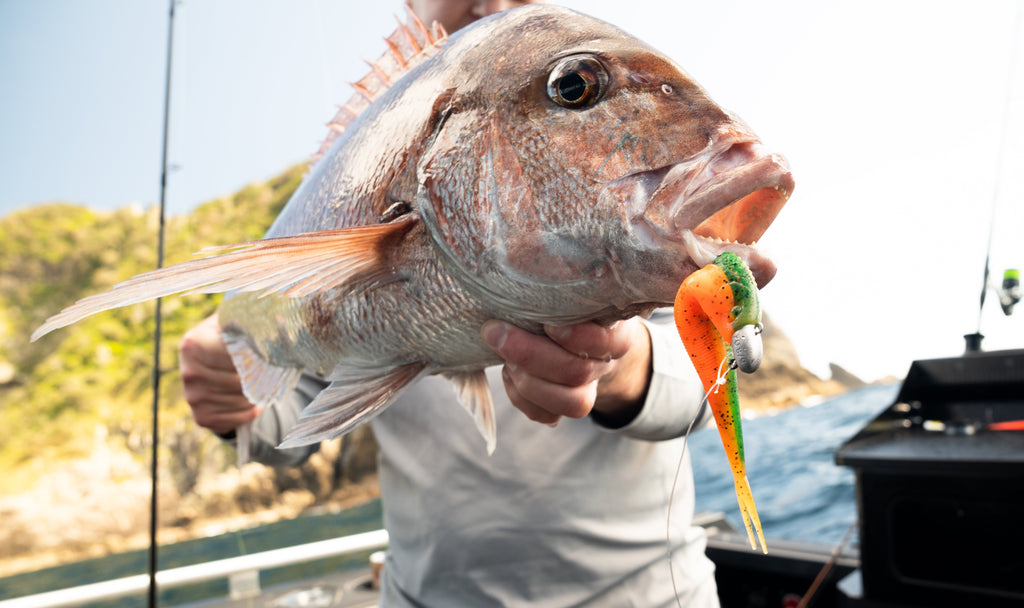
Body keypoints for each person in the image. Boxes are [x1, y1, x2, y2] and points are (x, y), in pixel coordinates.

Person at [180, 1, 721, 606]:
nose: (490, 5)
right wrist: (232, 397)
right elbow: (294, 425)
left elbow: (719, 384)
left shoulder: (631, 185)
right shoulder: (372, 163)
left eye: (573, 87)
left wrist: (622, 367)